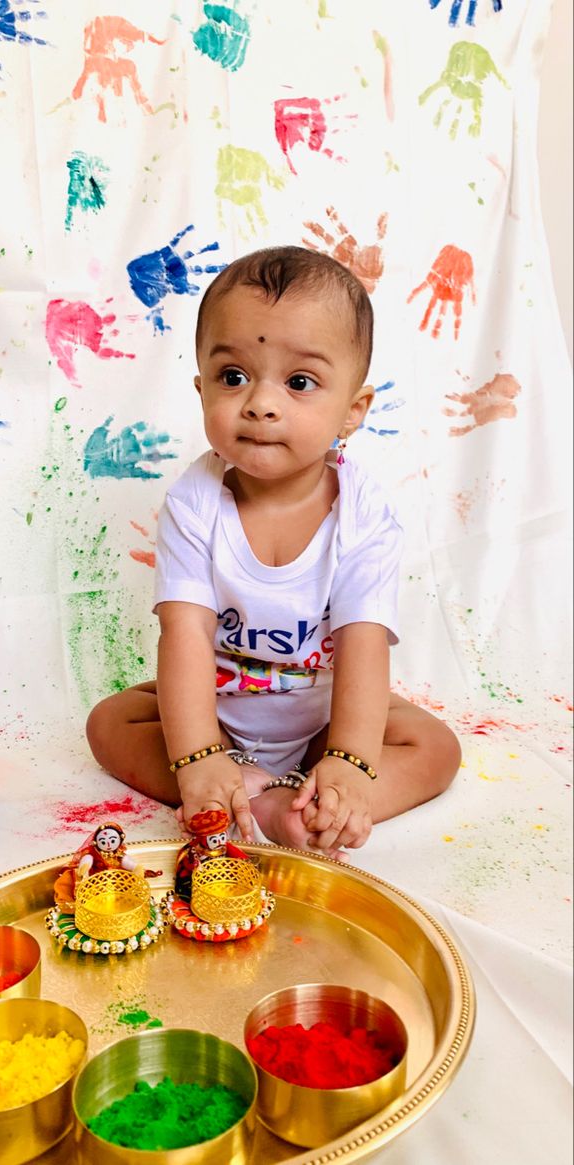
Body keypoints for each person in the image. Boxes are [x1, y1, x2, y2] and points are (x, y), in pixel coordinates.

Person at [86, 246, 461, 858]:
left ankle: (317, 808)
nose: (261, 403)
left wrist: (348, 761)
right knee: (110, 722)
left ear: (352, 411)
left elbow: (364, 644)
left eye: (300, 382)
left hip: (322, 714)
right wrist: (198, 755)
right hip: (214, 708)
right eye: (234, 377)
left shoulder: (362, 513)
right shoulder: (194, 503)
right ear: (201, 386)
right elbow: (183, 636)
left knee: (435, 747)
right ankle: (228, 790)